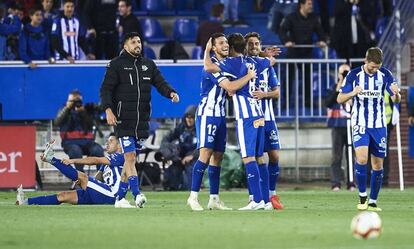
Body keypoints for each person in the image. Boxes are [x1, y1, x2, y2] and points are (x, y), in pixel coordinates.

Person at [100, 32, 180, 208]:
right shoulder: (116, 65)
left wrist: (171, 93)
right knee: (129, 156)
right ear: (125, 46)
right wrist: (108, 110)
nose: (138, 44)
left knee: (130, 160)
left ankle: (120, 198)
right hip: (123, 120)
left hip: (142, 121)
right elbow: (105, 90)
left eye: (139, 42)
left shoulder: (148, 65)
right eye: (134, 42)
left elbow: (160, 83)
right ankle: (137, 194)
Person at [204, 33, 275, 210]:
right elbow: (271, 61)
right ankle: (265, 201)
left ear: (233, 49)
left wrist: (207, 50)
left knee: (248, 157)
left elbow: (208, 67)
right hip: (260, 115)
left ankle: (256, 200)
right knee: (260, 158)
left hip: (246, 117)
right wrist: (264, 55)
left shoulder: (231, 63)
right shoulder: (254, 62)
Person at [187, 33, 257, 211]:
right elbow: (231, 87)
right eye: (220, 43)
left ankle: (214, 199)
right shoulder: (212, 68)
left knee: (217, 156)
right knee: (205, 154)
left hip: (220, 115)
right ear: (213, 47)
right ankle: (193, 197)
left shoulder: (224, 66)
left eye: (226, 42)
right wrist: (249, 76)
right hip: (207, 114)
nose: (225, 45)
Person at [337, 47, 401, 211]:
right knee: (362, 158)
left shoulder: (385, 74)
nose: (375, 69)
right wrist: (353, 92)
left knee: (378, 165)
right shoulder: (353, 75)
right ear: (366, 61)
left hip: (379, 125)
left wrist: (397, 94)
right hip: (360, 123)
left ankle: (373, 201)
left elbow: (395, 98)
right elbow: (339, 98)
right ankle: (362, 196)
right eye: (372, 66)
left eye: (377, 67)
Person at [16, 134, 128, 206]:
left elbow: (95, 160)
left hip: (112, 195)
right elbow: (97, 178)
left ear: (119, 146)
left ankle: (51, 158)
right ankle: (25, 202)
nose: (107, 143)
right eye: (107, 141)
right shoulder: (107, 162)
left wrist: (72, 161)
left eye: (111, 141)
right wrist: (85, 185)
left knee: (83, 177)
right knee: (63, 196)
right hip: (103, 193)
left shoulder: (121, 156)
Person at [244, 32, 284, 209]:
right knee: (254, 156)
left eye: (257, 44)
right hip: (252, 117)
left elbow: (277, 92)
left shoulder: (268, 67)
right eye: (251, 44)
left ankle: (272, 194)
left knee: (274, 156)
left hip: (268, 118)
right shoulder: (244, 65)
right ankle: (254, 195)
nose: (254, 47)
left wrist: (264, 94)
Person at [279, 0, 326, 107]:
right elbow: (282, 30)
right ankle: (285, 102)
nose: (311, 6)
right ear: (302, 5)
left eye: (312, 4)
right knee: (288, 78)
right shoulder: (291, 17)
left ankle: (307, 101)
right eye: (309, 4)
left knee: (307, 78)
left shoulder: (314, 18)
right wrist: (286, 41)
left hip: (307, 53)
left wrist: (322, 40)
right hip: (293, 53)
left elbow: (320, 32)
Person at [54, 90, 105, 173]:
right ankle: (80, 176)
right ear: (68, 101)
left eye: (77, 101)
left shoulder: (85, 111)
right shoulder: (64, 110)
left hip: (87, 143)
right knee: (76, 151)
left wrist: (83, 112)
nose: (75, 103)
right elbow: (57, 122)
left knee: (98, 150)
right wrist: (67, 108)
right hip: (70, 143)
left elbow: (91, 124)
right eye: (72, 101)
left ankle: (101, 176)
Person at [325, 64, 356, 191]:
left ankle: (351, 182)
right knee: (336, 156)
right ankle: (336, 183)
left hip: (351, 126)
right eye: (342, 73)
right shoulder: (333, 88)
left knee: (351, 156)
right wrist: (339, 86)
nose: (344, 75)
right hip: (338, 126)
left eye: (346, 72)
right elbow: (329, 102)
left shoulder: (354, 88)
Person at [161, 105, 197, 191]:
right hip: (180, 157)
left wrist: (193, 155)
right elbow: (166, 139)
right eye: (187, 117)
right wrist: (169, 153)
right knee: (173, 170)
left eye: (192, 117)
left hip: (194, 157)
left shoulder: (200, 129)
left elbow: (204, 147)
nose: (189, 120)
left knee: (192, 169)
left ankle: (192, 191)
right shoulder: (181, 128)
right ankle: (173, 189)